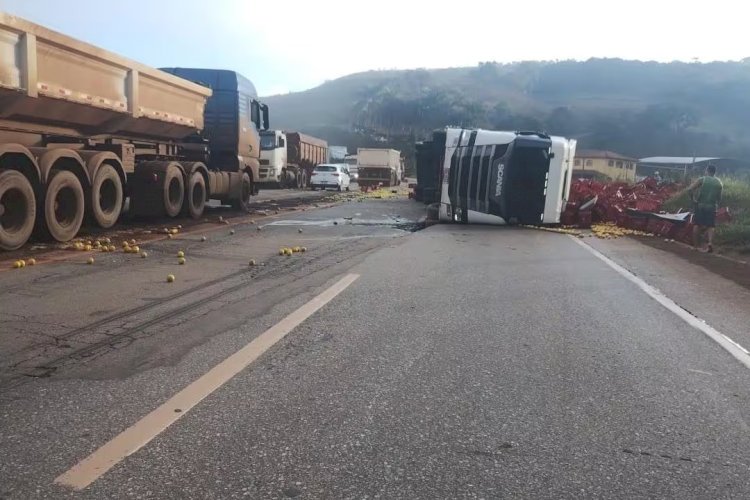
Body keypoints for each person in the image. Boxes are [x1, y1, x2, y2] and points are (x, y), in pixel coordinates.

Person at [687, 164, 723, 252]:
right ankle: (709, 243)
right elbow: (719, 198)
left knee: (697, 225)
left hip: (700, 205)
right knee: (711, 226)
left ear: (707, 170)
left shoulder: (703, 179)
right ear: (714, 172)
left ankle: (695, 246)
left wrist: (693, 200)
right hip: (712, 207)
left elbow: (690, 189)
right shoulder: (719, 183)